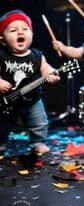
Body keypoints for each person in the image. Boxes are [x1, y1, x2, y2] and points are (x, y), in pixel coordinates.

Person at [0, 9, 61, 154]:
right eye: (13, 30)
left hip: (32, 99)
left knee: (39, 122)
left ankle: (38, 142)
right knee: (2, 123)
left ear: (32, 35)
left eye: (25, 29)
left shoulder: (37, 56)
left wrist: (51, 74)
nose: (20, 33)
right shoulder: (1, 55)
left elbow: (45, 69)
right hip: (7, 100)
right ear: (2, 38)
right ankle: (1, 141)